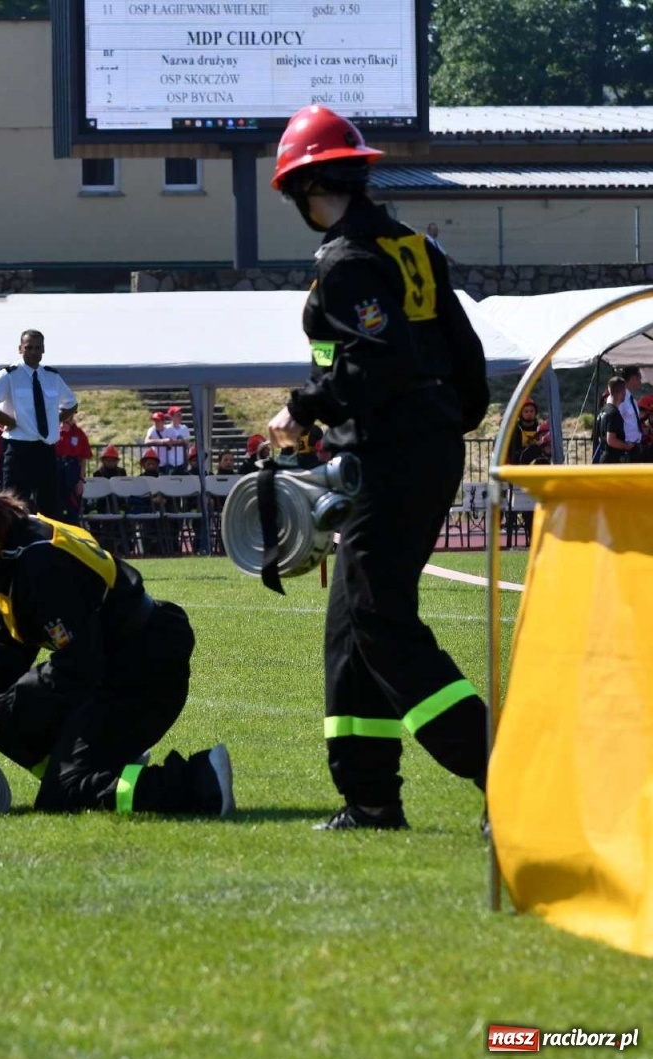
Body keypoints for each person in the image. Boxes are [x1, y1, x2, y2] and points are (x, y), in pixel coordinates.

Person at [266, 105, 490, 831]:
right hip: (416, 449)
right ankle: (368, 797)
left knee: (377, 615)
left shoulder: (346, 261)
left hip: (392, 456)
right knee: (351, 625)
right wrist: (440, 425)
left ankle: (506, 767)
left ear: (306, 190)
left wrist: (304, 409)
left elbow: (376, 359)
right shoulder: (412, 248)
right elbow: (466, 360)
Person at [0, 462, 234, 817]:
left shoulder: (39, 565)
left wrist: (6, 707)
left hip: (143, 674)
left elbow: (80, 662)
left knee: (66, 795)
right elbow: (6, 648)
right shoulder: (12, 552)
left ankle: (198, 781)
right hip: (115, 665)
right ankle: (93, 762)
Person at [0, 329, 78, 517]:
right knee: (14, 504)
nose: (33, 352)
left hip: (45, 449)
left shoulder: (51, 377)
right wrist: (8, 421)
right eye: (28, 347)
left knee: (50, 506)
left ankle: (46, 545)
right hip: (18, 448)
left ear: (43, 350)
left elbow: (71, 404)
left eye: (37, 348)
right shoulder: (9, 375)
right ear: (20, 349)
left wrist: (53, 421)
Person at [55, 413, 93, 523]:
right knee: (56, 510)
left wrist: (81, 481)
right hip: (56, 472)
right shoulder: (54, 431)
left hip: (72, 474)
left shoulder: (79, 434)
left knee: (72, 511)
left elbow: (83, 459)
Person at [595, 377, 633, 464]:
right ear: (622, 392)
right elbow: (611, 440)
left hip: (603, 457)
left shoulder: (603, 411)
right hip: (612, 460)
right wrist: (627, 446)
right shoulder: (613, 413)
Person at [505, 397, 550, 466]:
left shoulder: (540, 428)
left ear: (535, 412)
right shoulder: (515, 430)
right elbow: (512, 453)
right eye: (526, 411)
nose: (529, 414)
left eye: (531, 411)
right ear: (520, 413)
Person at [160, 406, 191, 473]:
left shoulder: (184, 428)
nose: (180, 417)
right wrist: (179, 442)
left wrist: (178, 441)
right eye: (178, 415)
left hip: (182, 461)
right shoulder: (166, 428)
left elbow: (187, 442)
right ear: (171, 417)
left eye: (180, 415)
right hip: (169, 462)